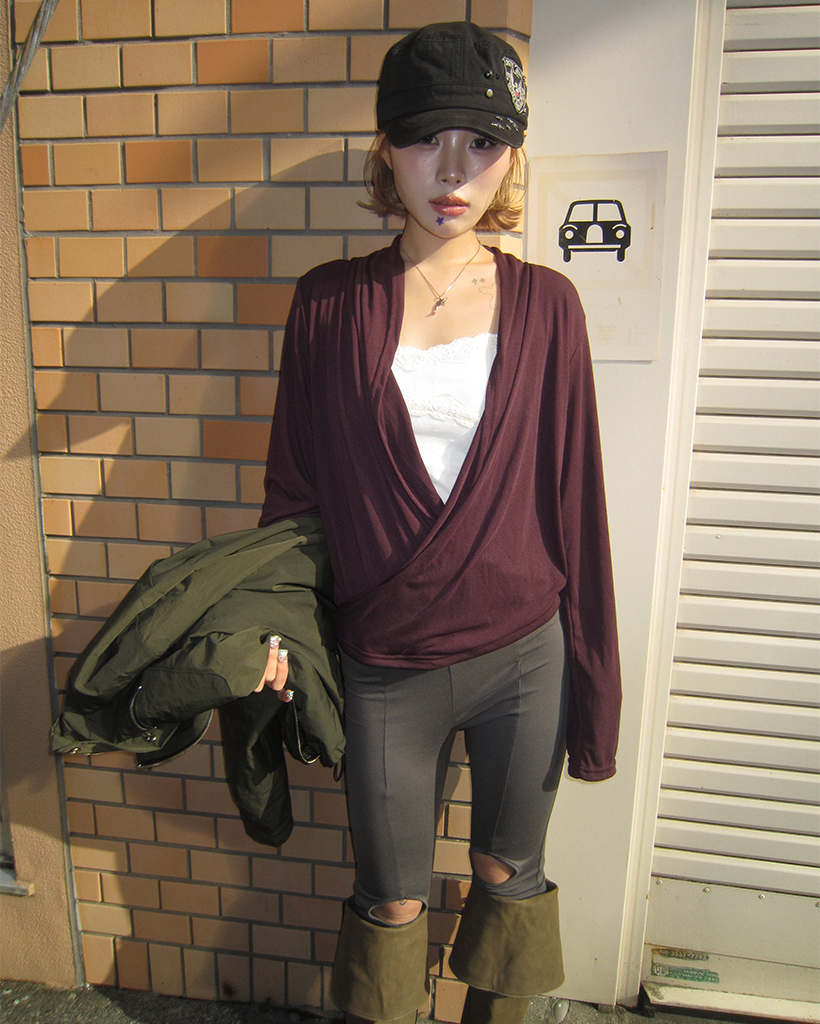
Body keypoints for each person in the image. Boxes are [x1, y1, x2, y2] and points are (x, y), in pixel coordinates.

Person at [256, 21, 622, 1024]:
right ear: (386, 147)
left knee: (510, 876)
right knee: (391, 898)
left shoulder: (549, 306)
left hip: (524, 656)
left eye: (482, 141)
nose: (453, 170)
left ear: (511, 156)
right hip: (385, 659)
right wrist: (279, 630)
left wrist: (595, 688)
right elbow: (293, 490)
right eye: (425, 137)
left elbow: (578, 502)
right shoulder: (327, 305)